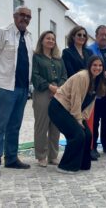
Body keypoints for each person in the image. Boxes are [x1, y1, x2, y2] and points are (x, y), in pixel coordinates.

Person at [0, 5, 33, 177]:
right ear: (14, 16)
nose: (25, 18)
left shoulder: (28, 37)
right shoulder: (2, 32)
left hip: (22, 89)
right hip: (5, 88)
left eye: (28, 16)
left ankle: (11, 158)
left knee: (15, 126)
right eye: (22, 15)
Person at [48, 55, 106, 174]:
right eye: (95, 65)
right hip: (58, 107)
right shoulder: (82, 76)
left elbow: (90, 103)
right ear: (89, 65)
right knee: (77, 134)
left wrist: (83, 118)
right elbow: (76, 98)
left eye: (100, 65)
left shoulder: (97, 80)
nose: (97, 68)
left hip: (71, 110)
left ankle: (82, 164)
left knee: (88, 134)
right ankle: (65, 166)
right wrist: (78, 120)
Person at [32, 31, 67, 167]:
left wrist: (58, 87)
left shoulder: (59, 59)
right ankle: (41, 156)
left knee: (55, 125)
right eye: (48, 38)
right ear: (42, 41)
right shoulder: (37, 57)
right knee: (42, 125)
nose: (51, 41)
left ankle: (53, 156)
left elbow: (64, 74)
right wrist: (49, 86)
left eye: (53, 39)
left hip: (58, 93)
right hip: (42, 93)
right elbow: (35, 75)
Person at [88, 25, 106, 158]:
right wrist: (101, 73)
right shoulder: (89, 50)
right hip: (95, 91)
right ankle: (92, 147)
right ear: (96, 36)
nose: (104, 37)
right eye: (101, 34)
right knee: (94, 121)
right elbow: (87, 69)